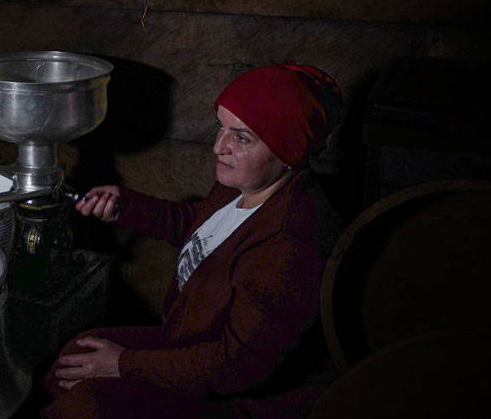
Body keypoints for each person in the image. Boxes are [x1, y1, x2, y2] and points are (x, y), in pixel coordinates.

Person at [41, 63, 345, 419]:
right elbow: (202, 227)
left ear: (287, 150)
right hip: (191, 342)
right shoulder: (242, 186)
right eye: (221, 128)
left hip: (244, 400)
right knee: (77, 355)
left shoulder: (291, 243)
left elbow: (238, 365)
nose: (219, 147)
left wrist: (124, 364)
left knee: (87, 404)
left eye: (241, 137)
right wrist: (127, 208)